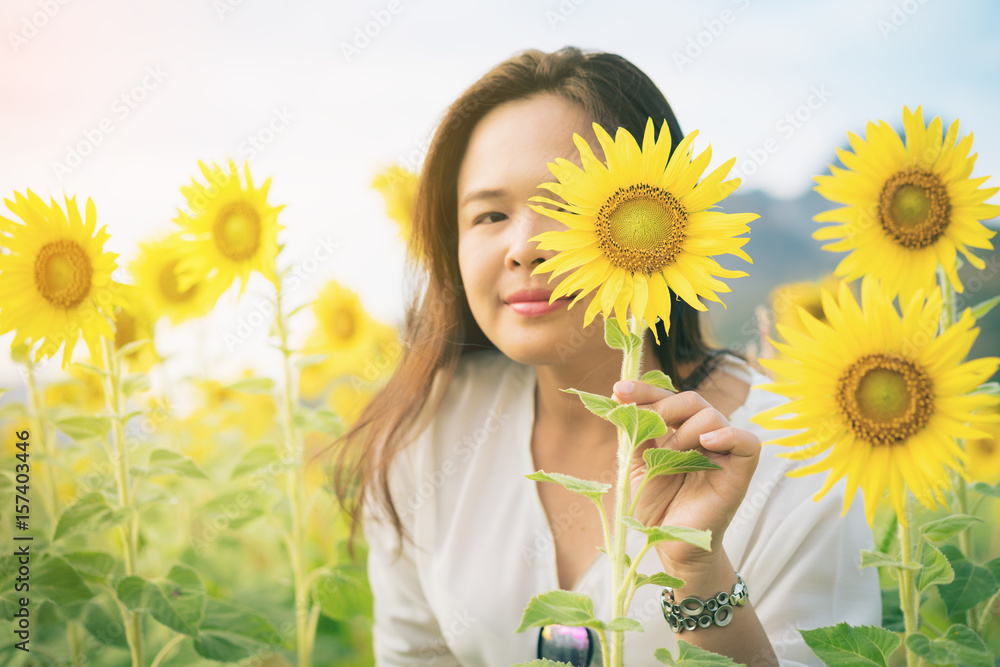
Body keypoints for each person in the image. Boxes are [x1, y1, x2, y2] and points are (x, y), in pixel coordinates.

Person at [331, 47, 881, 666]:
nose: (523, 248)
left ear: (652, 220)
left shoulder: (803, 463)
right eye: (489, 214)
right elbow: (416, 655)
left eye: (565, 206)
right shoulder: (428, 433)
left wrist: (698, 572)